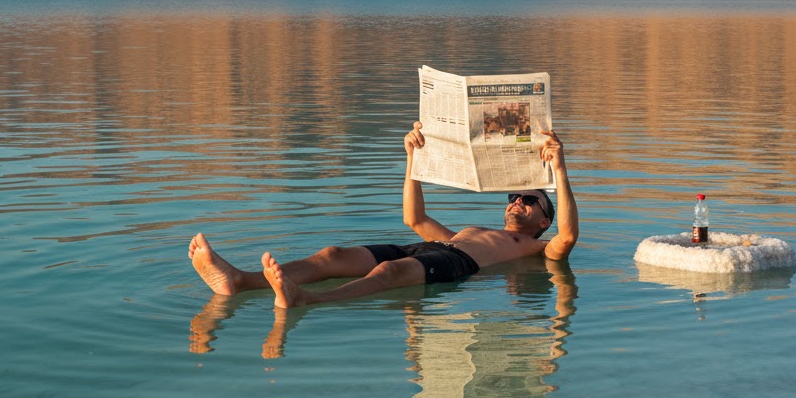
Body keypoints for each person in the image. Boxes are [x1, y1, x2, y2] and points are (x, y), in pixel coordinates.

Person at [188, 121, 578, 308]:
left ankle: (307, 299)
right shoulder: (474, 229)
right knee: (332, 255)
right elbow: (415, 220)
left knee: (390, 272)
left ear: (544, 221)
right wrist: (413, 157)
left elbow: (569, 236)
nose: (517, 201)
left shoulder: (538, 249)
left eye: (529, 200)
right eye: (514, 196)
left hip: (460, 264)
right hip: (438, 248)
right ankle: (240, 280)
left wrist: (558, 169)